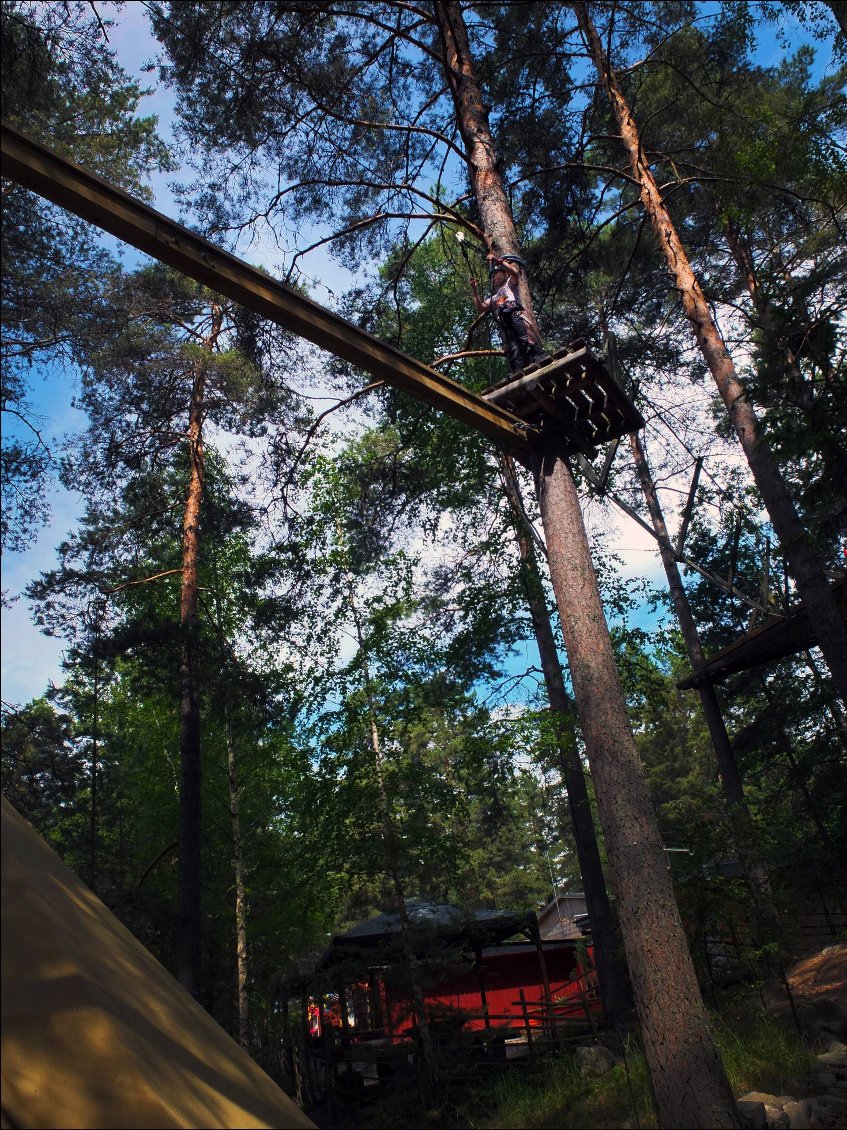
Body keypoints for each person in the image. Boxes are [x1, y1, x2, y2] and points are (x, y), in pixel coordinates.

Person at [470, 253, 549, 373]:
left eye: (496, 273)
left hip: (516, 317)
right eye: (492, 276)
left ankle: (540, 363)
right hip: (505, 325)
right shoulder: (494, 298)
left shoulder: (510, 285)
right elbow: (481, 307)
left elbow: (515, 273)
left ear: (504, 274)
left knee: (527, 342)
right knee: (512, 349)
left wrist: (498, 261)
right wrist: (475, 290)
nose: (494, 277)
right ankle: (518, 372)